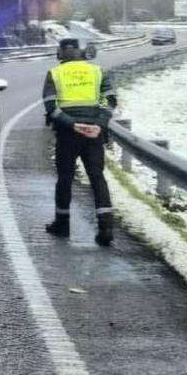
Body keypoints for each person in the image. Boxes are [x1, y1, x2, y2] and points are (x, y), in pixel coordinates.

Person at [43, 38, 119, 245]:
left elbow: (51, 107)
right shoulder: (97, 71)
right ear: (80, 51)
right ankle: (106, 228)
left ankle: (62, 224)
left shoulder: (55, 74)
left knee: (65, 178)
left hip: (68, 134)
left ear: (60, 53)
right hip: (93, 133)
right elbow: (110, 100)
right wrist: (99, 125)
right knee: (97, 177)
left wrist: (72, 124)